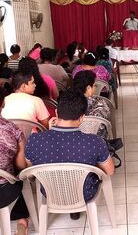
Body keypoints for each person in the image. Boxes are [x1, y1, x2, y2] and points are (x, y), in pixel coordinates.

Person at [25, 89, 114, 220]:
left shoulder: (35, 140)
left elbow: (30, 169)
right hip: (85, 193)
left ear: (56, 112)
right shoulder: (95, 142)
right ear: (82, 117)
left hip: (50, 194)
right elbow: (110, 171)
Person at [0, 87, 30, 235]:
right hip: (3, 192)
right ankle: (22, 220)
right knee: (17, 175)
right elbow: (20, 165)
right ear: (3, 103)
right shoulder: (13, 130)